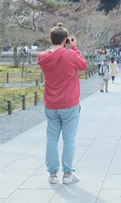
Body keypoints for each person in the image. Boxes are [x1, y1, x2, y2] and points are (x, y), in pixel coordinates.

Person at [37, 23, 87, 185]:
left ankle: (52, 174)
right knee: (69, 139)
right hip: (70, 103)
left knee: (51, 139)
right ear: (65, 40)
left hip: (51, 104)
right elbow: (83, 66)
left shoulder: (42, 56)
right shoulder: (70, 54)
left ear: (50, 39)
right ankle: (68, 175)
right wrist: (74, 48)